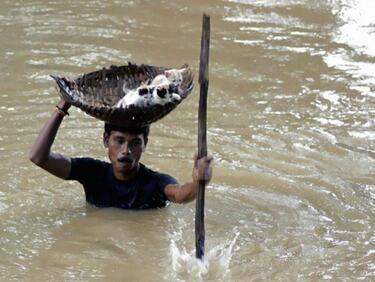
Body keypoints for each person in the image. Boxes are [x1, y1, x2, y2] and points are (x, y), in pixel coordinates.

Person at [29, 98, 213, 209]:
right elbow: (38, 157)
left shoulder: (156, 182)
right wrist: (62, 107)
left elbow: (180, 194)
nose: (126, 150)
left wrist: (198, 182)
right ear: (106, 140)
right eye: (119, 141)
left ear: (145, 144)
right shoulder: (92, 173)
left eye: (135, 143)